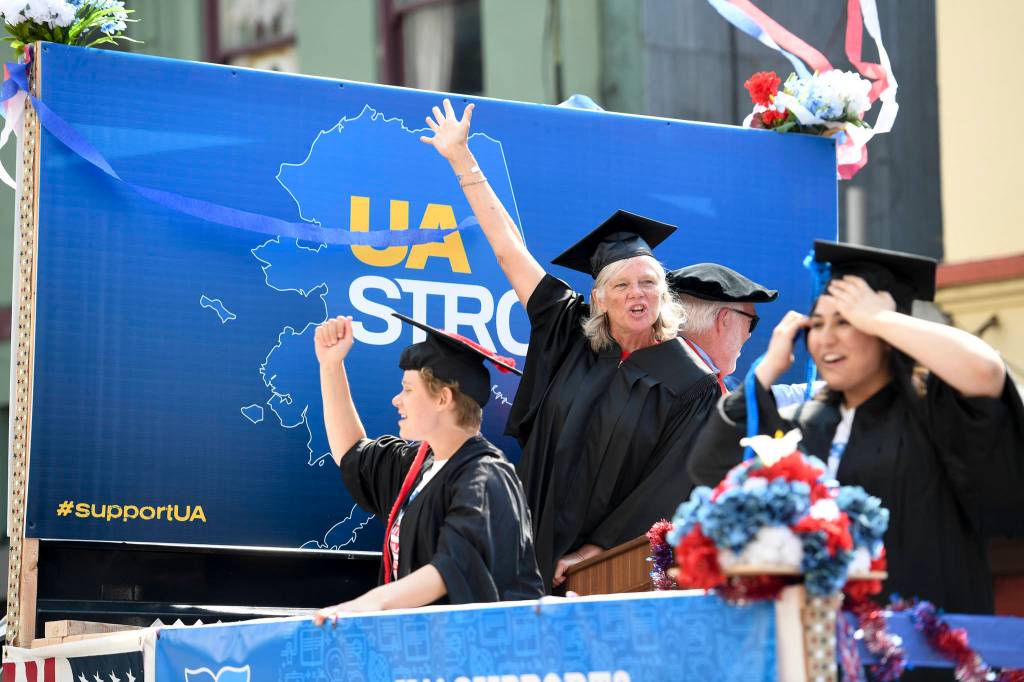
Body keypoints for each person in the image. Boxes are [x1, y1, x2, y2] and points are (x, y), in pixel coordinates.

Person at [421, 98, 721, 591]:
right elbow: (507, 249)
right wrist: (462, 160)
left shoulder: (691, 381)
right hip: (524, 538)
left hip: (608, 567)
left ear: (664, 293)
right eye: (621, 285)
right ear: (598, 298)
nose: (637, 294)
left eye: (648, 282)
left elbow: (672, 480)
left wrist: (598, 549)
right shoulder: (567, 331)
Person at [688, 240, 1024, 615]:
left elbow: (986, 371)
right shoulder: (808, 423)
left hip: (922, 646)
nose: (826, 337)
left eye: (846, 321)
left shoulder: (934, 414)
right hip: (824, 650)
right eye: (817, 324)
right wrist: (765, 371)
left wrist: (881, 318)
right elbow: (711, 465)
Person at [312, 311, 543, 622]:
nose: (397, 399)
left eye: (408, 389)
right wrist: (331, 365)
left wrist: (372, 603)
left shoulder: (486, 477)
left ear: (443, 399)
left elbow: (455, 565)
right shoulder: (419, 468)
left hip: (471, 656)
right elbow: (352, 453)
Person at [668, 262, 778, 392]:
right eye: (751, 322)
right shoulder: (699, 392)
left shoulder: (654, 369)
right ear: (725, 320)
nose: (749, 334)